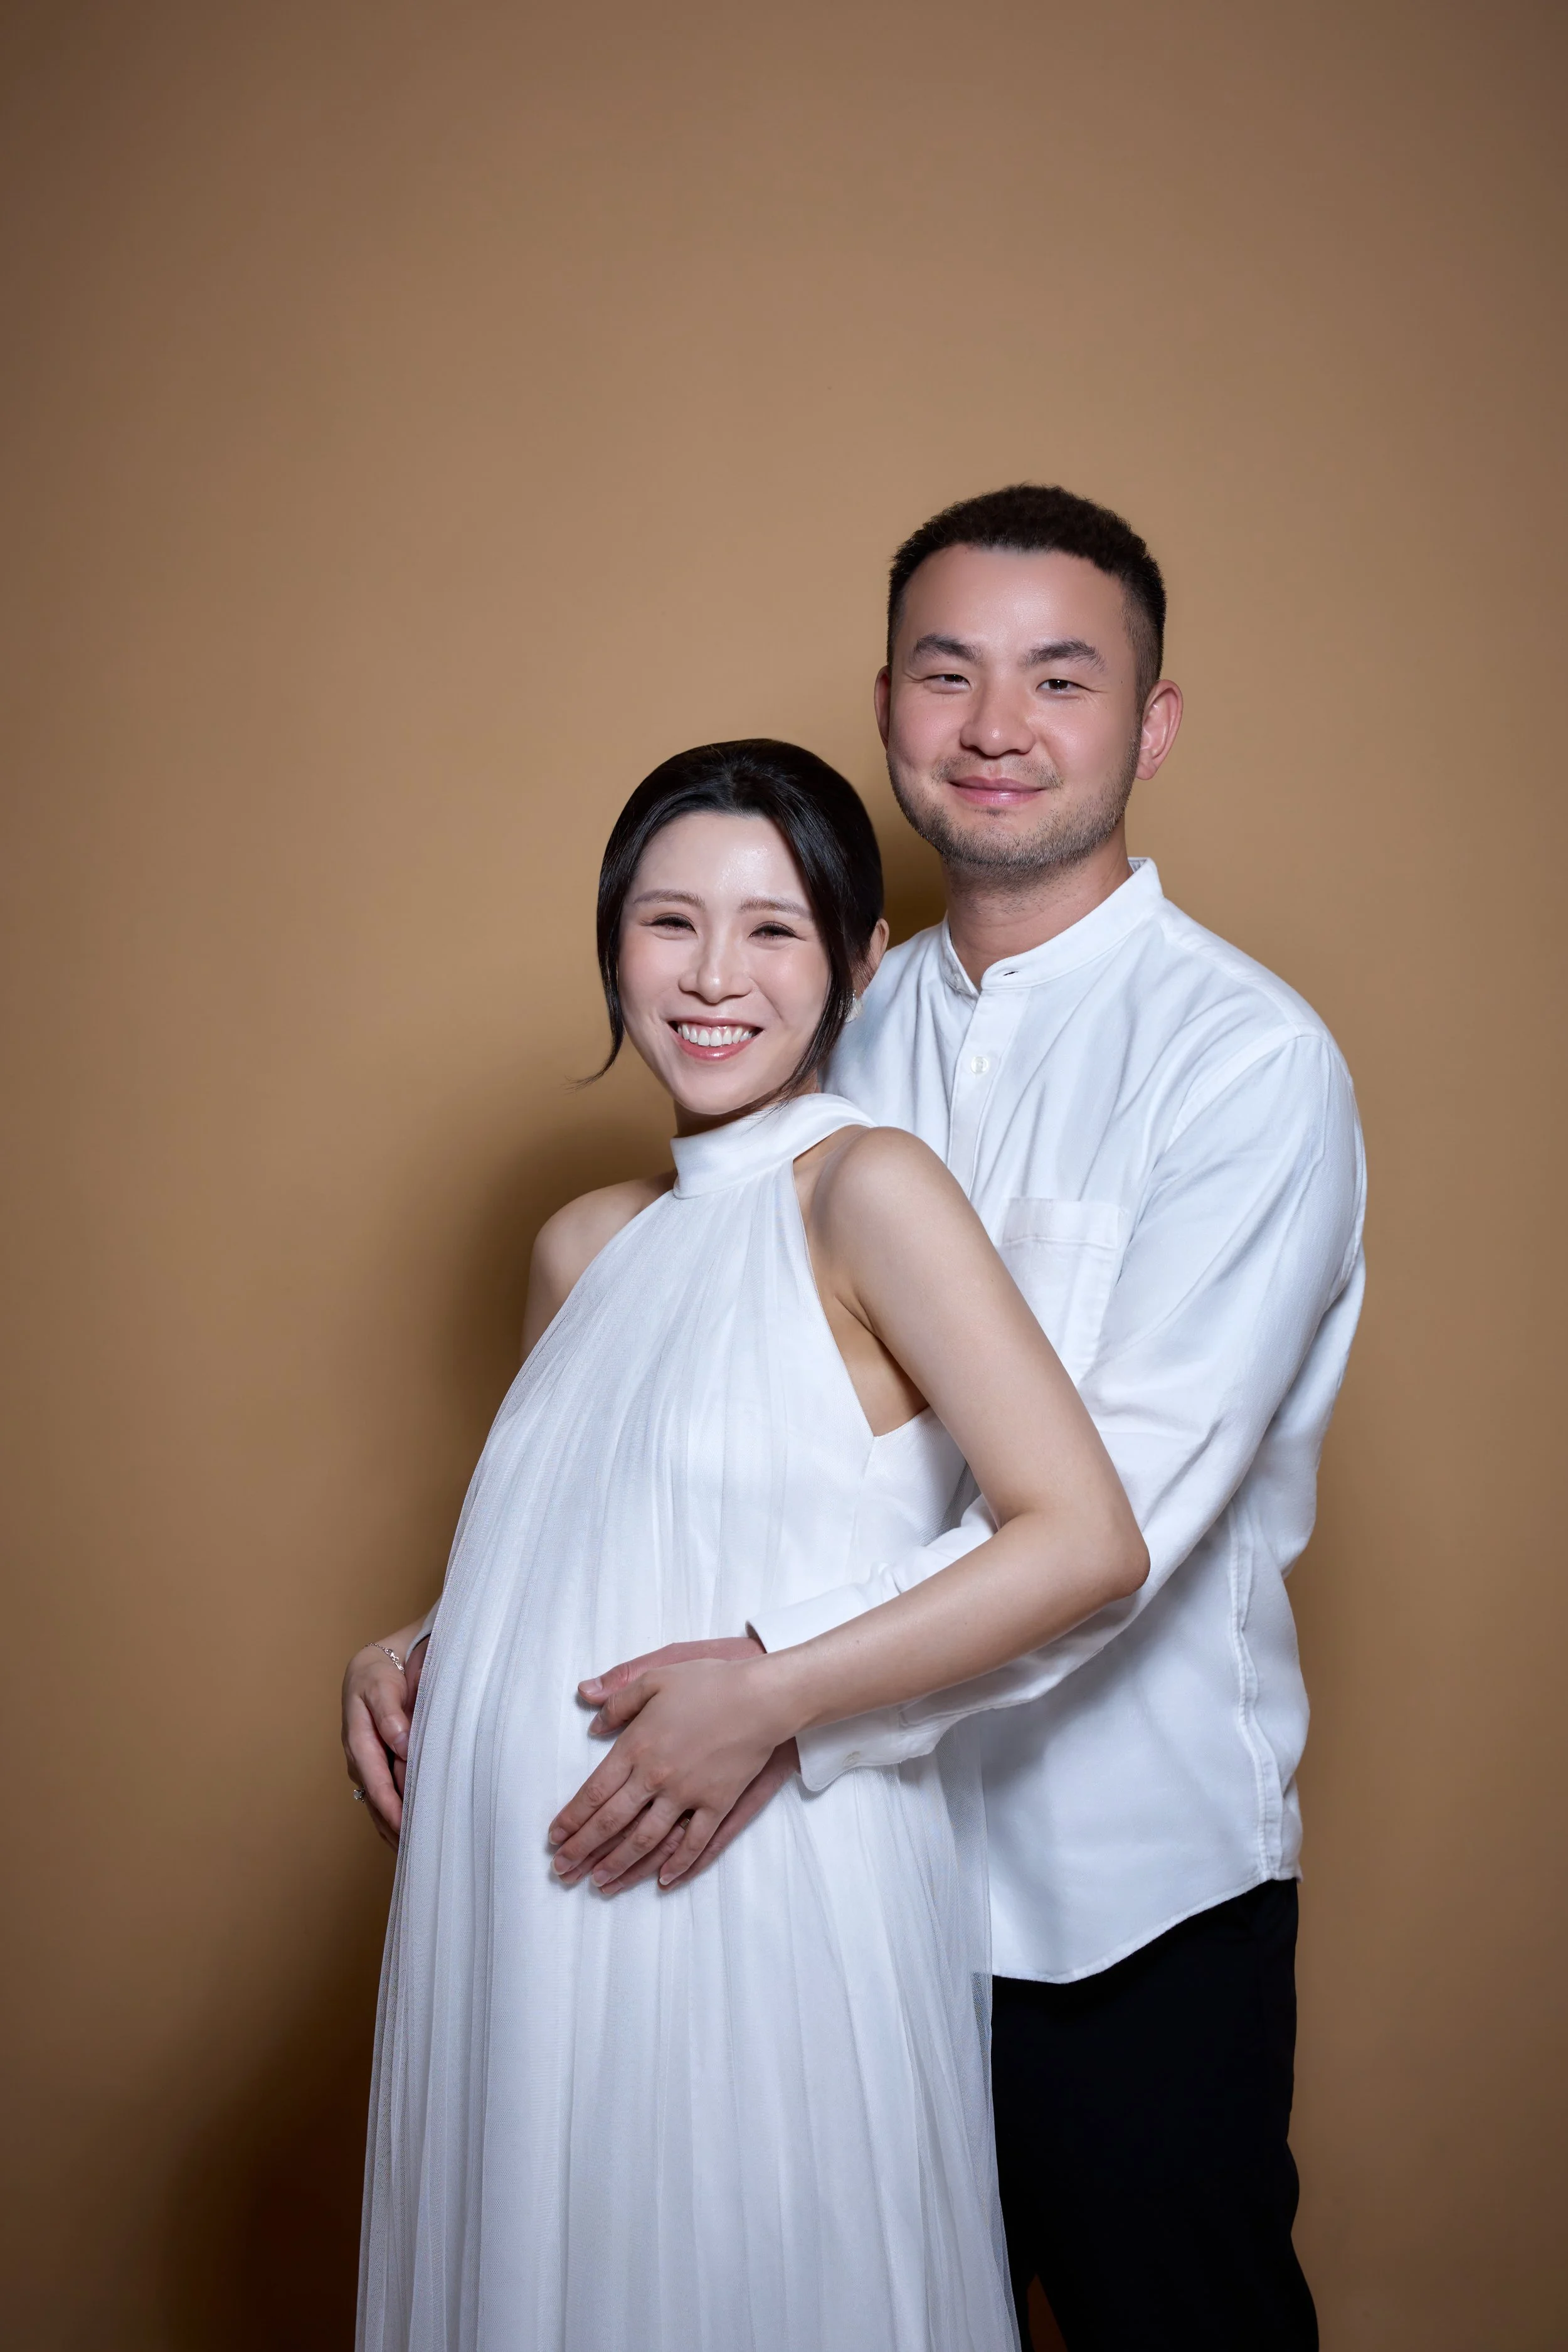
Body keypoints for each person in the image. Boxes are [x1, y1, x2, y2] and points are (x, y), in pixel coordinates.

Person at [533, 486, 1367, 2350]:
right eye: (947, 670)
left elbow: (1107, 1523)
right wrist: (469, 1629)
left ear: (1148, 725)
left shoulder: (1245, 1062)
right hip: (815, 1888)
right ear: (890, 707)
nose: (996, 723)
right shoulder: (828, 1010)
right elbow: (708, 1414)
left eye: (1058, 677)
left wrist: (768, 1694)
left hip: (1119, 1896)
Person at [347, 738, 1148, 2352]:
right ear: (611, 944)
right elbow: (598, 1529)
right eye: (669, 922)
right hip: (530, 1916)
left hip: (759, 1882)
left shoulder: (864, 1190)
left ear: (855, 958)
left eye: (773, 928)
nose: (715, 975)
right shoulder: (581, 1241)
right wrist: (426, 1636)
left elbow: (1082, 1537)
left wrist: (776, 1690)